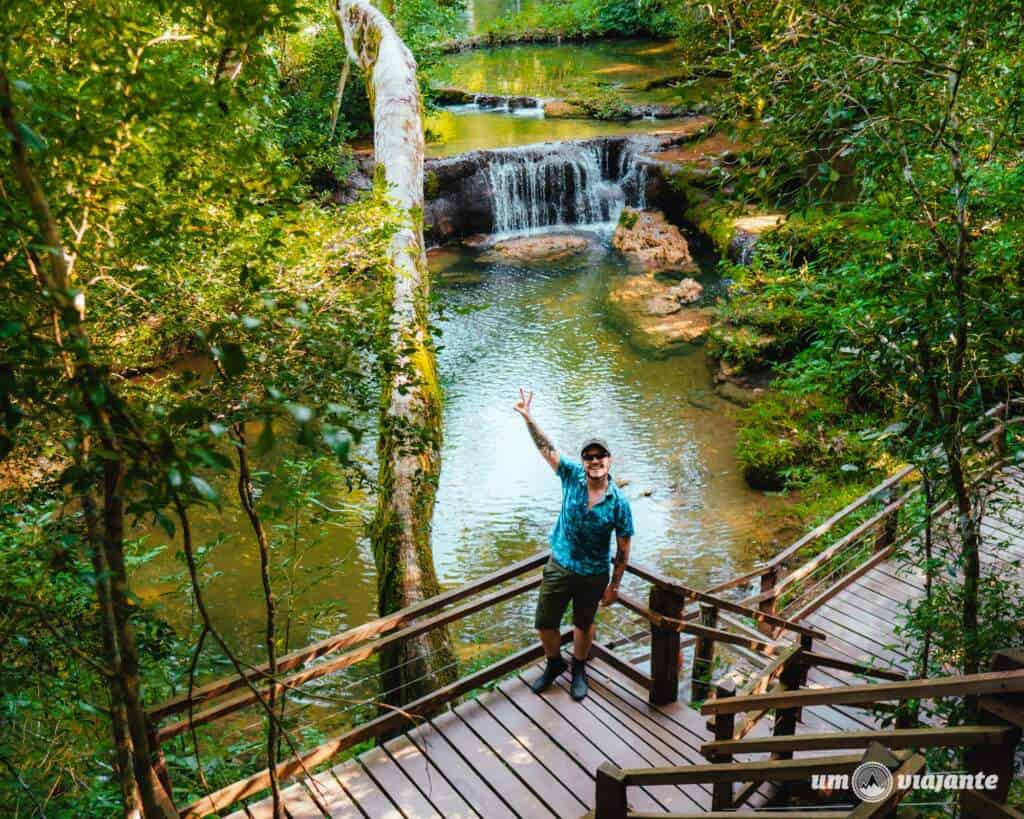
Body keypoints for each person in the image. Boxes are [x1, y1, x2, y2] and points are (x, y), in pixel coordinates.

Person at [513, 388, 634, 701]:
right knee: (545, 623)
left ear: (609, 461)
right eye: (589, 457)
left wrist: (615, 586)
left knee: (584, 624)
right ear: (583, 462)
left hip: (594, 574)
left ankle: (579, 668)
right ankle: (555, 664)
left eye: (600, 456)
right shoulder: (570, 476)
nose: (594, 461)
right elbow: (547, 448)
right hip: (560, 565)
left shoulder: (619, 502)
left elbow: (623, 549)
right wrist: (528, 418)